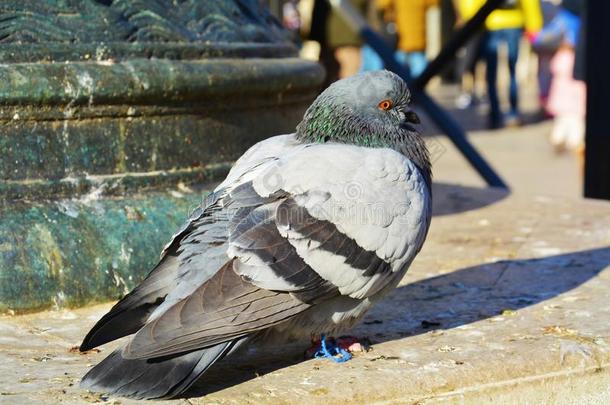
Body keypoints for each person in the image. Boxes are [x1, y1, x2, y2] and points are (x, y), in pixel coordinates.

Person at [458, 0, 543, 129]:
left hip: (491, 23)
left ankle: (495, 116)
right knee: (512, 70)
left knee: (492, 74)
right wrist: (534, 24)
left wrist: (472, 18)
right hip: (513, 22)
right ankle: (512, 115)